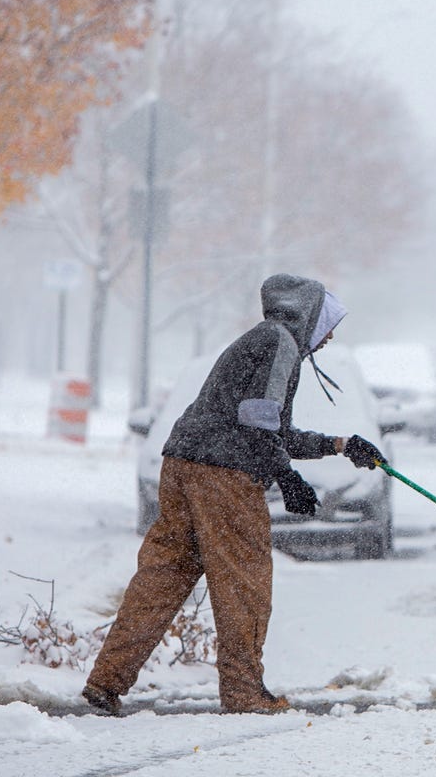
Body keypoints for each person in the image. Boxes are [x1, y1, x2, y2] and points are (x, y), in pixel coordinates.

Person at [82, 274, 385, 715]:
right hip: (224, 474)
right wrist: (286, 476)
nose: (331, 335)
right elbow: (257, 418)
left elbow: (276, 429)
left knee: (162, 578)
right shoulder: (281, 342)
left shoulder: (262, 339)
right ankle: (244, 693)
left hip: (182, 463)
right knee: (243, 582)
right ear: (309, 315)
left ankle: (106, 681)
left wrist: (340, 445)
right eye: (328, 323)